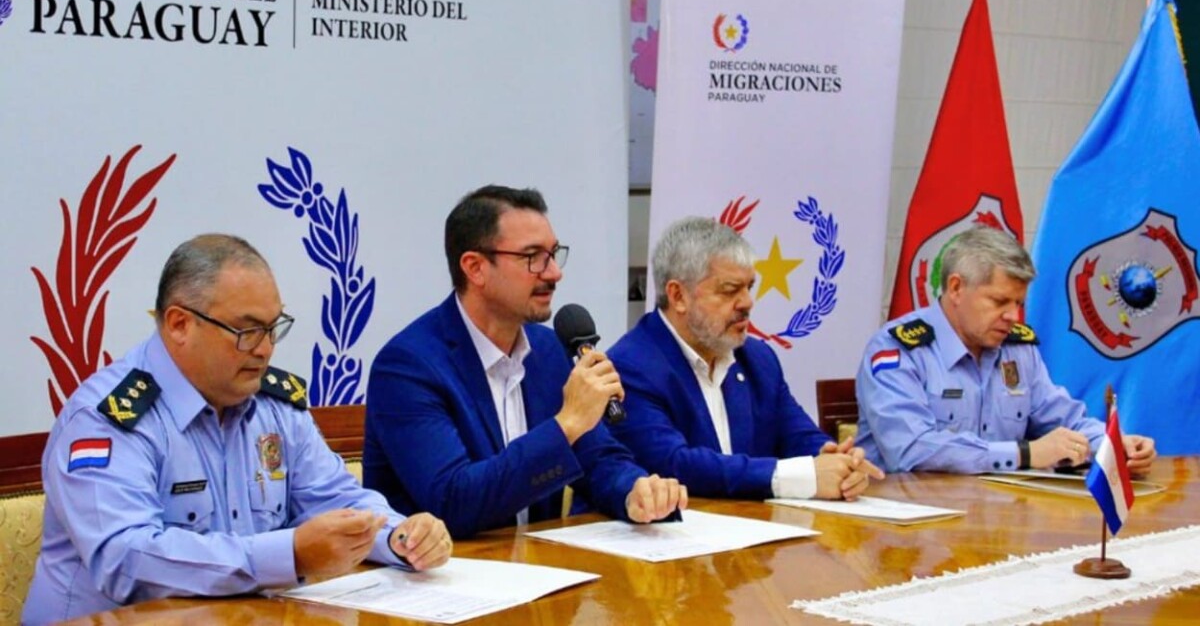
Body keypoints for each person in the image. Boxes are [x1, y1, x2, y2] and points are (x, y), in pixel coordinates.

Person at [24, 235, 451, 625]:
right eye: (246, 331)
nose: (265, 349)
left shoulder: (274, 405)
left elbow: (336, 500)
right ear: (179, 324)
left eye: (272, 328)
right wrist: (289, 554)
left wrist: (400, 537)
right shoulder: (108, 418)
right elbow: (126, 560)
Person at [364, 185, 687, 538]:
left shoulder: (548, 350)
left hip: (534, 561)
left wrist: (633, 491)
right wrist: (567, 423)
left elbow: (599, 459)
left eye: (554, 254)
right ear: (475, 267)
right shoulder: (408, 367)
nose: (554, 273)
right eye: (533, 257)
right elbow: (452, 502)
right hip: (444, 566)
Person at [607, 217, 883, 500]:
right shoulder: (629, 366)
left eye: (749, 287)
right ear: (678, 296)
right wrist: (797, 477)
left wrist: (838, 462)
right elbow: (673, 465)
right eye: (730, 290)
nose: (747, 302)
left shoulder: (757, 359)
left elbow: (798, 436)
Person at [856, 225, 1157, 474]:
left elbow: (1064, 419)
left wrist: (1112, 445)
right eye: (999, 302)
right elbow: (912, 450)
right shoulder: (899, 350)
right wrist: (1025, 454)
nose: (1013, 316)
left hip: (1000, 513)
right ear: (956, 288)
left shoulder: (1016, 349)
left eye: (1019, 303)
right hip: (912, 517)